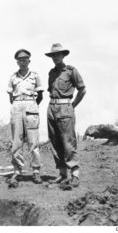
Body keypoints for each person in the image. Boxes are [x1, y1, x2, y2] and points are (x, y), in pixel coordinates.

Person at [45, 43, 86, 188]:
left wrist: (72, 105)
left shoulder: (71, 71)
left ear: (63, 55)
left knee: (68, 142)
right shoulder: (51, 72)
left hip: (65, 107)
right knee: (55, 142)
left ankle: (74, 174)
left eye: (58, 54)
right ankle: (63, 174)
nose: (55, 57)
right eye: (53, 55)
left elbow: (82, 90)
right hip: (51, 107)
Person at [6, 49, 44, 188]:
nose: (22, 62)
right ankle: (17, 170)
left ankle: (35, 170)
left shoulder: (35, 76)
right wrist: (19, 104)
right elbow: (10, 96)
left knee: (33, 142)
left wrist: (31, 104)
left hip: (31, 105)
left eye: (25, 59)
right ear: (17, 62)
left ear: (29, 61)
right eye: (20, 60)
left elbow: (40, 95)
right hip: (17, 105)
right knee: (17, 141)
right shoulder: (13, 77)